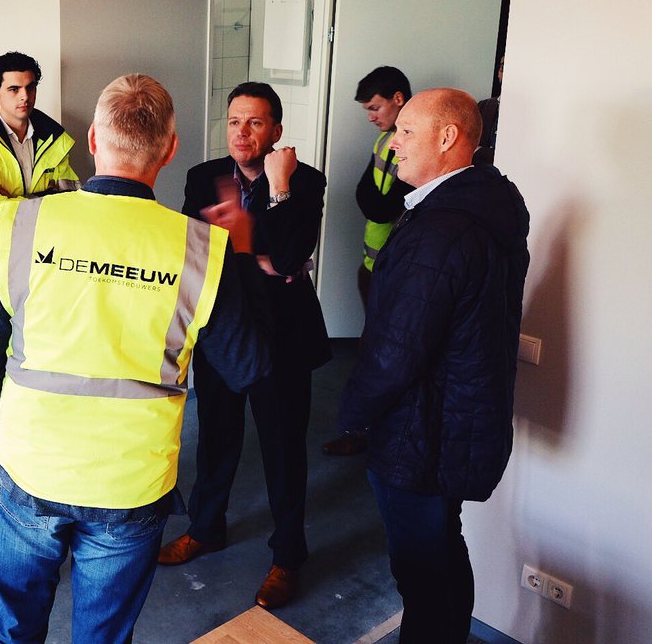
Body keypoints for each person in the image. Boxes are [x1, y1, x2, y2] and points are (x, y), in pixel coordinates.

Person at [0, 74, 270, 644]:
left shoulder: (19, 223)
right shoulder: (203, 248)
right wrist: (243, 255)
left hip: (31, 466)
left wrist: (4, 430)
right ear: (170, 150)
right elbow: (246, 366)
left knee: (14, 625)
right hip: (133, 482)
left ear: (94, 139)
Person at [338, 88, 530, 644]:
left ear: (448, 138)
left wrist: (351, 413)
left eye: (405, 132)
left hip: (422, 431)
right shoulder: (481, 207)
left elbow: (396, 351)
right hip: (456, 422)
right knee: (443, 554)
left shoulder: (441, 230)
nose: (392, 144)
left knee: (422, 573)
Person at [157, 81, 330, 611]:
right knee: (216, 438)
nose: (242, 132)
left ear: (276, 130)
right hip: (222, 330)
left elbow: (290, 255)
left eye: (255, 123)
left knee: (283, 450)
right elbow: (195, 252)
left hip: (283, 338)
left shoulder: (305, 180)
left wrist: (277, 191)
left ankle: (288, 557)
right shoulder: (203, 177)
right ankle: (205, 530)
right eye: (234, 121)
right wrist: (262, 258)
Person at [0, 51, 79, 508]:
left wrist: (19, 202)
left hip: (44, 267)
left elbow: (71, 198)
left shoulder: (55, 140)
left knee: (31, 363)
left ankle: (28, 461)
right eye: (13, 88)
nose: (24, 97)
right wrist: (37, 203)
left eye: (30, 87)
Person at [324, 66, 414, 457]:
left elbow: (380, 207)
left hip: (394, 268)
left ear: (398, 99)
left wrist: (375, 205)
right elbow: (366, 196)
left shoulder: (411, 146)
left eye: (375, 107)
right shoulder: (383, 140)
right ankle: (363, 430)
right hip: (372, 261)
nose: (371, 116)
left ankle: (367, 434)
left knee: (380, 355)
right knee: (370, 348)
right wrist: (375, 205)